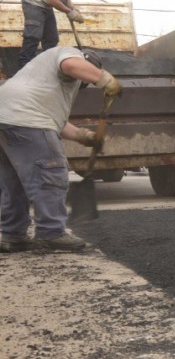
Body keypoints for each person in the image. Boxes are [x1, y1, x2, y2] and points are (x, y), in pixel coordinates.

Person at [0, 45, 122, 252]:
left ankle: (13, 236)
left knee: (14, 184)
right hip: (26, 120)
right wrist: (106, 80)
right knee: (50, 173)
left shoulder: (38, 78)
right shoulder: (70, 53)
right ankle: (52, 232)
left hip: (5, 119)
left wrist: (85, 137)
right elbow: (71, 65)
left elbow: (56, 122)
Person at [19, 0, 93, 69]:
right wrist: (69, 12)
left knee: (51, 39)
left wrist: (73, 9)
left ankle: (48, 68)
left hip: (45, 6)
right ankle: (24, 69)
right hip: (34, 4)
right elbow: (53, 0)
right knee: (33, 37)